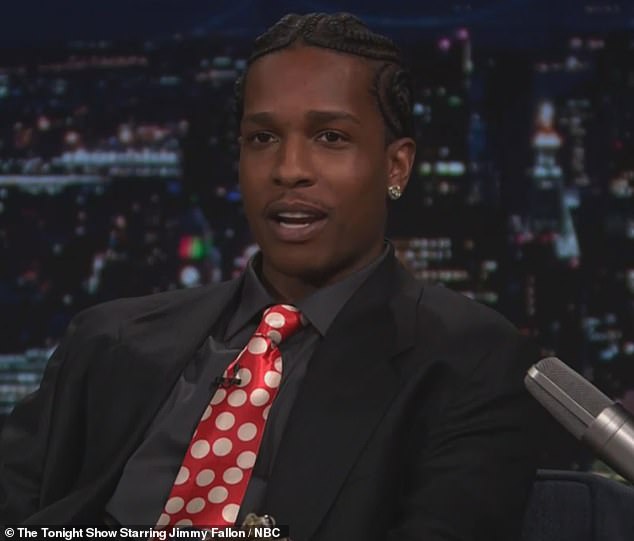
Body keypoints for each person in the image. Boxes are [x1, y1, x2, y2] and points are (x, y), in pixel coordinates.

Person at [0, 12, 541, 540]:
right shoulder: (107, 342)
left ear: (395, 166)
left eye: (330, 137)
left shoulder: (470, 362)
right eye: (262, 138)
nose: (289, 169)